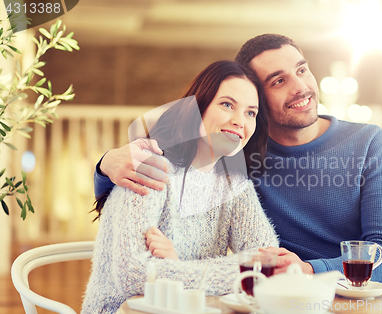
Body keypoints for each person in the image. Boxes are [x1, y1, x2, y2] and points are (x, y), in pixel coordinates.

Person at [94, 34, 382, 282]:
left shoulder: (368, 142)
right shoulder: (238, 155)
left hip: (341, 294)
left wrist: (310, 269)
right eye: (278, 81)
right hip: (268, 296)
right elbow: (135, 200)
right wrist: (106, 166)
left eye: (301, 69)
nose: (301, 88)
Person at [82, 60, 279, 313]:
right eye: (227, 104)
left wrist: (177, 265)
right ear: (198, 108)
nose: (239, 121)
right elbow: (132, 275)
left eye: (250, 112)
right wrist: (230, 270)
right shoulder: (150, 166)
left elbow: (268, 261)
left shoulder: (234, 183)